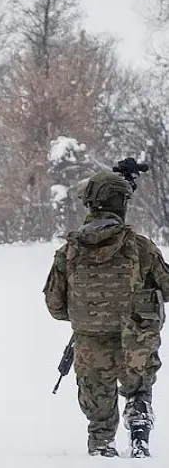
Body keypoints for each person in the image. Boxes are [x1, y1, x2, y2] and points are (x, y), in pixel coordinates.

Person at [43, 170, 169, 458]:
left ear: (89, 204)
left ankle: (101, 449)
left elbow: (55, 305)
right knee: (138, 390)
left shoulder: (69, 252)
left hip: (90, 348)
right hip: (135, 345)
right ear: (122, 204)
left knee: (99, 417)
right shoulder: (140, 246)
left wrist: (89, 314)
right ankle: (139, 432)